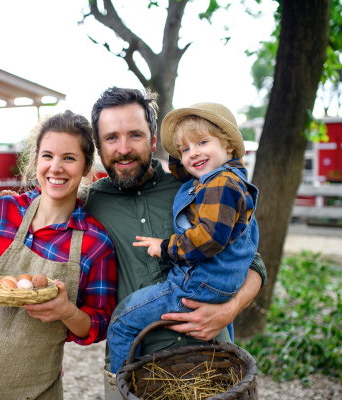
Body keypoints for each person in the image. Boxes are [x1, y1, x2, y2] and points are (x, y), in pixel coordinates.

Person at [0, 110, 117, 400]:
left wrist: (67, 312)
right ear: (36, 160)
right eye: (47, 156)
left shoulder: (96, 243)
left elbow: (99, 323)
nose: (56, 167)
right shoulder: (2, 211)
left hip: (33, 390)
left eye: (69, 158)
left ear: (86, 166)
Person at [84, 87, 267, 371]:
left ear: (153, 139)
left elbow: (252, 259)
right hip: (136, 371)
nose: (123, 149)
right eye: (111, 138)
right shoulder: (88, 204)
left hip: (211, 361)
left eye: (135, 134)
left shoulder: (198, 188)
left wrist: (228, 310)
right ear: (99, 146)